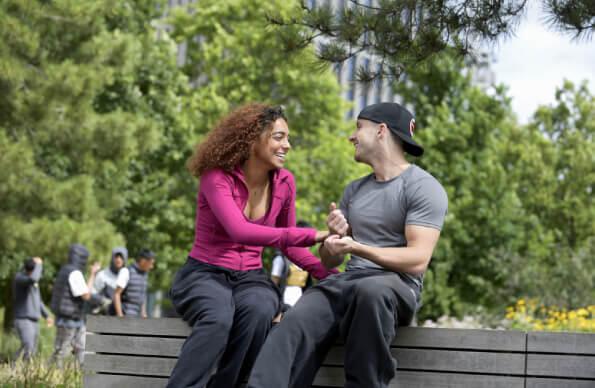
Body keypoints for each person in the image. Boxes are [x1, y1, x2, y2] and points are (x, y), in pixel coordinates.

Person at [248, 102, 448, 388]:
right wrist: (333, 240)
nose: (351, 136)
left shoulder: (423, 187)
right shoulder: (354, 190)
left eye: (358, 127)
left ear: (381, 131)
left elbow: (417, 260)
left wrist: (358, 248)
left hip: (395, 286)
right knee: (294, 320)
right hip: (349, 282)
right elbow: (329, 261)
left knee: (371, 292)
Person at [166, 103, 336, 388]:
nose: (288, 145)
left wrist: (329, 275)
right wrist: (313, 235)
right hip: (205, 274)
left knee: (259, 309)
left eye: (288, 138)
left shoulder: (285, 182)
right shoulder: (217, 177)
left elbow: (288, 247)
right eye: (279, 137)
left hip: (250, 278)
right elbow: (239, 231)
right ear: (253, 139)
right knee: (218, 318)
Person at [50, 243, 104, 366]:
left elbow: (85, 291)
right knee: (61, 352)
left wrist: (92, 274)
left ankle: (83, 375)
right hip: (69, 320)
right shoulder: (75, 273)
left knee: (82, 348)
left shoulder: (65, 270)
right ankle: (50, 376)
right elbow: (86, 295)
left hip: (73, 319)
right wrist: (99, 299)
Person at [12, 256, 53, 360]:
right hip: (24, 320)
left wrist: (47, 315)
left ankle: (19, 369)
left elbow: (38, 301)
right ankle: (14, 367)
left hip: (34, 321)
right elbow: (34, 278)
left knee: (32, 350)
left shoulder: (33, 283)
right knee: (28, 347)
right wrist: (39, 264)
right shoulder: (19, 278)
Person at [270, 222, 312, 308]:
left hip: (301, 302)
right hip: (283, 301)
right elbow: (273, 285)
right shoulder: (281, 259)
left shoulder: (307, 262)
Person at [113, 248, 155, 318]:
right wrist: (120, 316)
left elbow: (142, 296)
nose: (151, 267)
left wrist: (143, 314)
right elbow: (117, 294)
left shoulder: (145, 275)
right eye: (151, 263)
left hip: (136, 317)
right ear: (143, 261)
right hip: (126, 315)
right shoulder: (126, 271)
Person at [92, 247, 128, 315]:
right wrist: (103, 301)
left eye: (121, 257)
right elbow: (92, 294)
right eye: (116, 256)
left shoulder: (127, 276)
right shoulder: (102, 275)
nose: (118, 259)